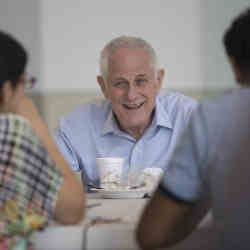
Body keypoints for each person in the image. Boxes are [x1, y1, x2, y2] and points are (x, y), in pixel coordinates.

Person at [137, 8, 250, 250]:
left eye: (141, 81)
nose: (132, 94)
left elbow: (152, 234)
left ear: (234, 65)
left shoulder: (214, 116)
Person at [54, 36, 197, 190]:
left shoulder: (190, 117)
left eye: (141, 81)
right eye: (120, 83)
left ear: (158, 81)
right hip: (104, 214)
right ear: (103, 87)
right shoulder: (77, 125)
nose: (131, 95)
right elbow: (44, 181)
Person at [0, 31, 85, 248]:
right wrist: (34, 122)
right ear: (6, 90)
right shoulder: (11, 129)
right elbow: (72, 208)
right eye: (23, 82)